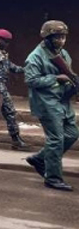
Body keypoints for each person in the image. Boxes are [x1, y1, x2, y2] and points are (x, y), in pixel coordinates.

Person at [24, 20, 77, 192]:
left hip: (63, 100)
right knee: (56, 139)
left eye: (63, 37)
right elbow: (31, 80)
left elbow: (68, 73)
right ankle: (53, 177)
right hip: (46, 102)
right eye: (57, 38)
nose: (61, 41)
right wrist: (55, 78)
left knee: (72, 133)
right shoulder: (35, 57)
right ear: (47, 38)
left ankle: (40, 158)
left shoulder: (63, 53)